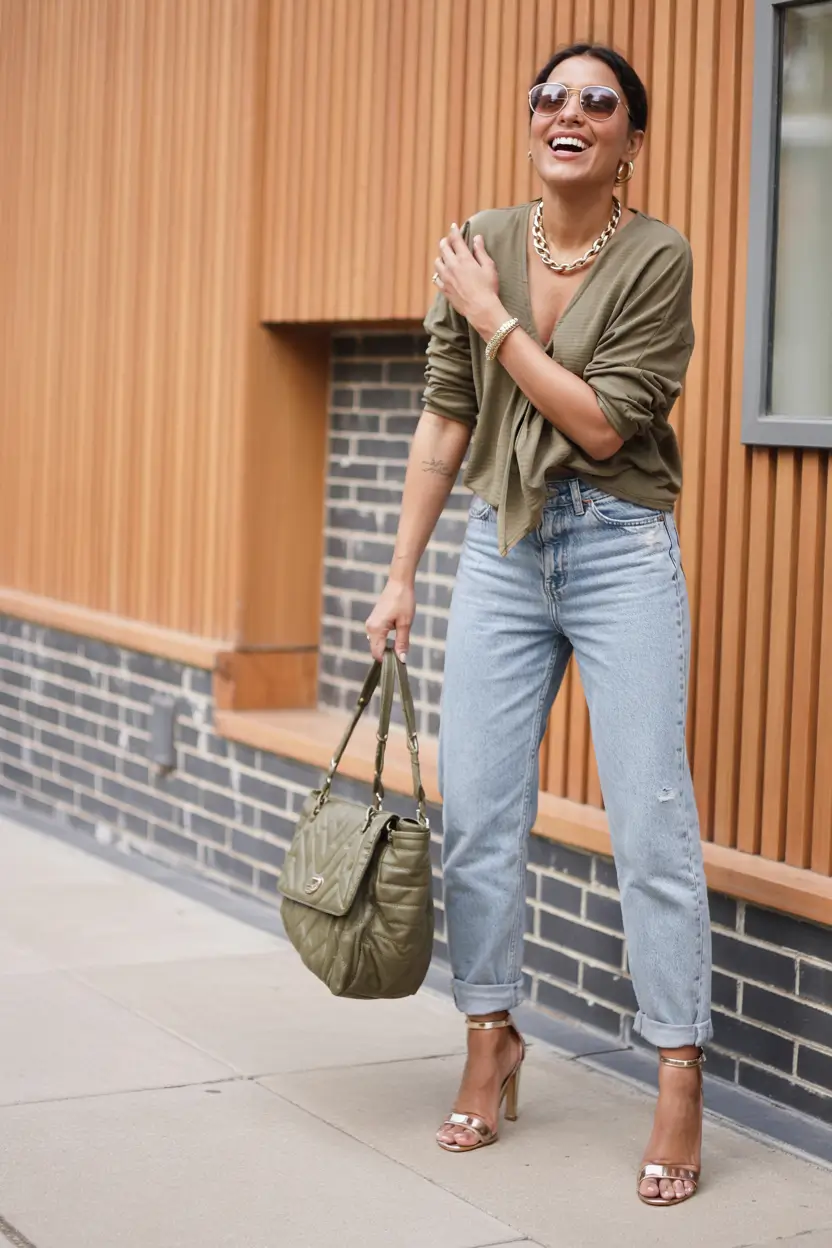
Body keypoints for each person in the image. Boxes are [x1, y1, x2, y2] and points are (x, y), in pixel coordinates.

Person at [365, 43, 712, 1208]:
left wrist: (493, 315)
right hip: (501, 552)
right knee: (477, 814)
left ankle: (677, 1073)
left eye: (597, 102)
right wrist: (399, 575)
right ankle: (489, 1038)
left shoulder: (656, 257)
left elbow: (605, 426)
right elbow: (444, 417)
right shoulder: (481, 238)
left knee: (650, 820)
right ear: (532, 123)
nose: (570, 113)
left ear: (629, 140)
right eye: (550, 97)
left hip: (618, 551)